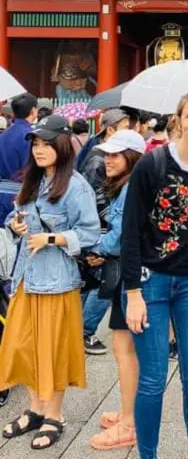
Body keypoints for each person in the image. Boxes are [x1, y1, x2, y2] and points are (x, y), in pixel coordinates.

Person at [121, 91, 188, 459]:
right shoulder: (151, 165)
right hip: (151, 281)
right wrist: (132, 291)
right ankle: (147, 455)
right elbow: (130, 231)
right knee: (152, 379)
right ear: (179, 119)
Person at [0, 115, 100, 450]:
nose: (40, 150)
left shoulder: (77, 186)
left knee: (53, 351)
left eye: (46, 144)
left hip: (57, 282)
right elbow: (18, 216)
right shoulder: (32, 179)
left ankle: (54, 415)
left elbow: (90, 233)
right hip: (25, 277)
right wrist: (15, 226)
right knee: (22, 346)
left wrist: (52, 238)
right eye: (36, 145)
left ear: (61, 144)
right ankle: (34, 408)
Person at [87, 129, 146, 451]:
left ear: (132, 158)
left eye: (116, 155)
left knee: (125, 350)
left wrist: (90, 246)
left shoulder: (130, 189)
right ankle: (129, 411)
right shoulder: (129, 186)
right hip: (133, 273)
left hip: (130, 276)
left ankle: (130, 422)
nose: (108, 160)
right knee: (126, 349)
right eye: (107, 154)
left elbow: (120, 236)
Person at [80, 108, 131, 355]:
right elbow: (91, 195)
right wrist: (101, 230)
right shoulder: (99, 158)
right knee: (102, 281)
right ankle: (84, 330)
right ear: (110, 129)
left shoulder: (99, 153)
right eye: (124, 126)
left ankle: (80, 329)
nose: (130, 129)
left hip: (104, 229)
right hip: (100, 228)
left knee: (96, 281)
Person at [0, 92, 38, 181]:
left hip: (3, 187)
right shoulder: (30, 135)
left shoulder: (4, 134)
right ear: (33, 110)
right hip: (23, 187)